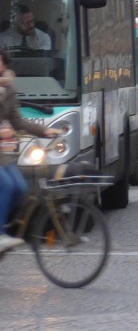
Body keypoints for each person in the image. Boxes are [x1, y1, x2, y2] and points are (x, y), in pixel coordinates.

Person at [0, 48, 62, 252]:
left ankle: (7, 228)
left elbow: (17, 121)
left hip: (3, 155)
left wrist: (44, 130)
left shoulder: (8, 90)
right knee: (7, 185)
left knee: (22, 188)